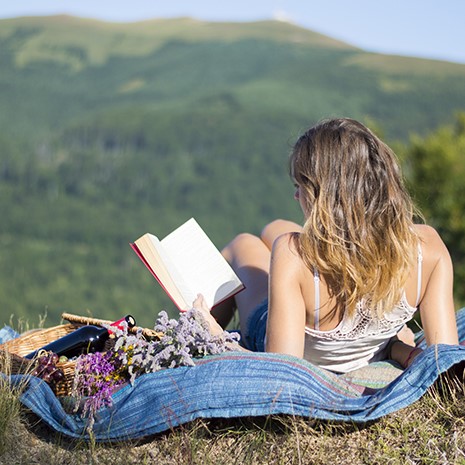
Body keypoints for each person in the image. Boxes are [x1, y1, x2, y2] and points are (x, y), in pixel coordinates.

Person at [193, 117, 459, 373]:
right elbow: (445, 358)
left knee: (243, 244)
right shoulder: (429, 248)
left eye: (301, 186)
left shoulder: (291, 253)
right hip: (370, 325)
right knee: (274, 227)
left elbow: (278, 372)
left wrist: (218, 338)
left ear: (326, 198)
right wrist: (397, 348)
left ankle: (203, 318)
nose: (296, 195)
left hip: (296, 319)